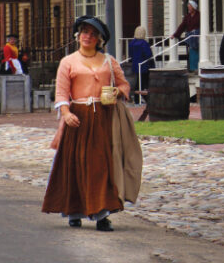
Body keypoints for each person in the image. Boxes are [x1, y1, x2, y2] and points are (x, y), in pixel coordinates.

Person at [42, 15, 130, 232]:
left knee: (101, 166)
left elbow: (124, 85)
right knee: (76, 164)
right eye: (84, 32)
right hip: (78, 118)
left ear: (99, 39)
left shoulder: (109, 61)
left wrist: (117, 92)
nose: (88, 37)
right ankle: (74, 211)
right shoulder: (68, 62)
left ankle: (102, 214)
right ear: (78, 35)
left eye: (93, 34)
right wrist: (66, 113)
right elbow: (61, 92)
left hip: (103, 117)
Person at [171, 0, 200, 72]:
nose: (189, 8)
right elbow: (182, 26)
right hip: (191, 37)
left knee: (197, 51)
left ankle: (197, 68)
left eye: (190, 7)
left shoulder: (199, 15)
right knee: (192, 51)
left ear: (193, 7)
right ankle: (193, 68)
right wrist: (175, 35)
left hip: (198, 37)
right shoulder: (187, 17)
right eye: (188, 7)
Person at [129, 26, 153, 97]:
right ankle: (142, 98)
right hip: (144, 66)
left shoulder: (132, 43)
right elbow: (148, 54)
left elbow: (130, 54)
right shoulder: (144, 43)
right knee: (144, 83)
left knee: (138, 83)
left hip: (135, 65)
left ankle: (137, 98)